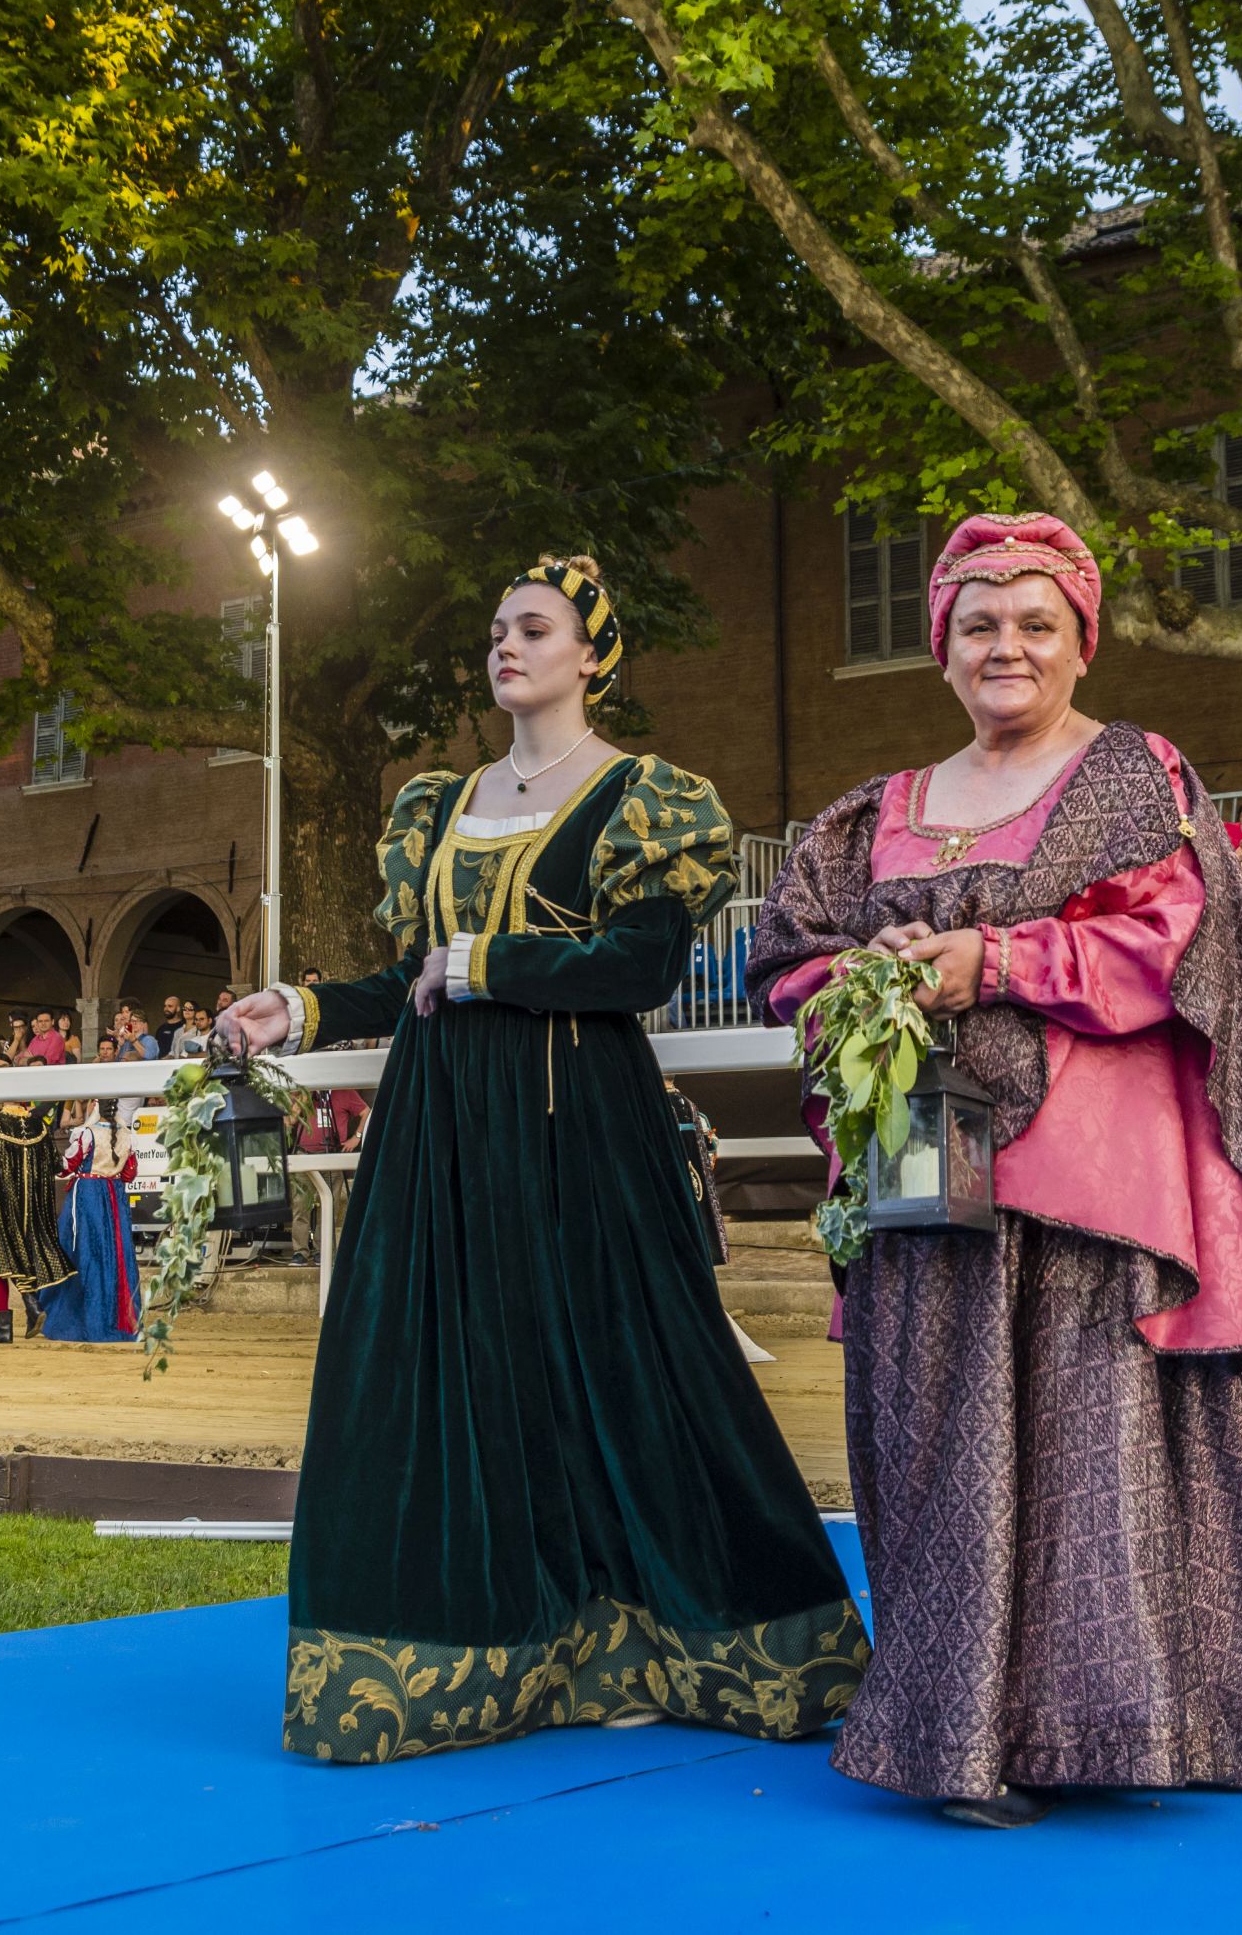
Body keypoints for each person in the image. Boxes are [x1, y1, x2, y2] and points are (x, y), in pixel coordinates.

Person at [747, 510, 1242, 1825]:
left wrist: (998, 962)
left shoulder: (1135, 778)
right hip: (922, 1159)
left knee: (1092, 1449)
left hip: (1095, 1179)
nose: (1004, 646)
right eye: (977, 623)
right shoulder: (876, 817)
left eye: (1035, 622)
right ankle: (951, 1730)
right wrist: (862, 978)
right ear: (941, 644)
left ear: (1079, 640)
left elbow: (1176, 942)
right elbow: (785, 959)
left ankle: (1111, 1721)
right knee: (929, 1429)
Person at [221, 551, 867, 1766]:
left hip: (584, 1124)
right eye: (494, 630)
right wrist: (298, 1009)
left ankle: (688, 1638)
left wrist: (488, 966)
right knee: (448, 1372)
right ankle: (494, 1651)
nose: (503, 646)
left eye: (531, 627)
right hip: (442, 1128)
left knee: (630, 1364)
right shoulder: (438, 805)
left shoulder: (643, 797)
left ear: (591, 656)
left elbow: (643, 964)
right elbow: (403, 974)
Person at [0, 1095, 74, 1343]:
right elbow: (57, 1166)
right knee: (14, 1257)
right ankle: (28, 1310)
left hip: (1, 1204)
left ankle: (13, 1319)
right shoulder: (40, 1127)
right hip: (34, 1207)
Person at [40, 1100, 141, 1343]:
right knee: (115, 1255)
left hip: (88, 1195)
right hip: (115, 1197)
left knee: (79, 1251)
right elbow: (129, 1174)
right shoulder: (126, 1134)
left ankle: (76, 1316)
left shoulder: (87, 1134)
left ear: (94, 1107)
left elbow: (66, 1167)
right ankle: (120, 1319)